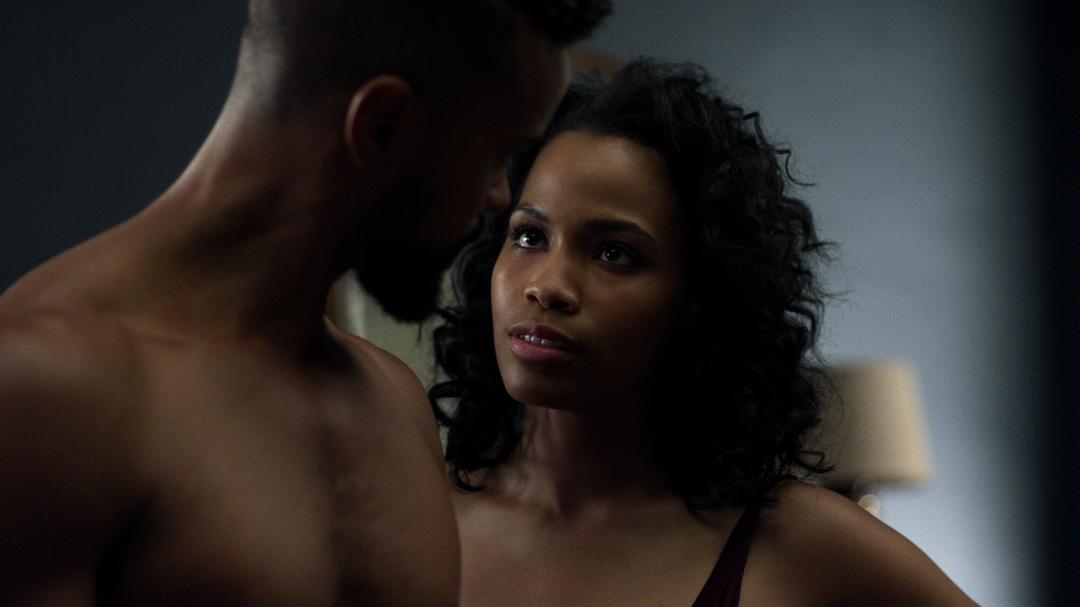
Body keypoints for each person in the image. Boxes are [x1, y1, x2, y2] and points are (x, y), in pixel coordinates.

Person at [0, 1, 610, 605]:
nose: (499, 197)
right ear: (380, 125)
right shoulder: (47, 390)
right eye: (495, 157)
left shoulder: (394, 401)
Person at [429, 60, 977, 606]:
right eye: (529, 237)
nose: (548, 286)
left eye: (614, 253)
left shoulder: (799, 545)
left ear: (699, 298)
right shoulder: (424, 522)